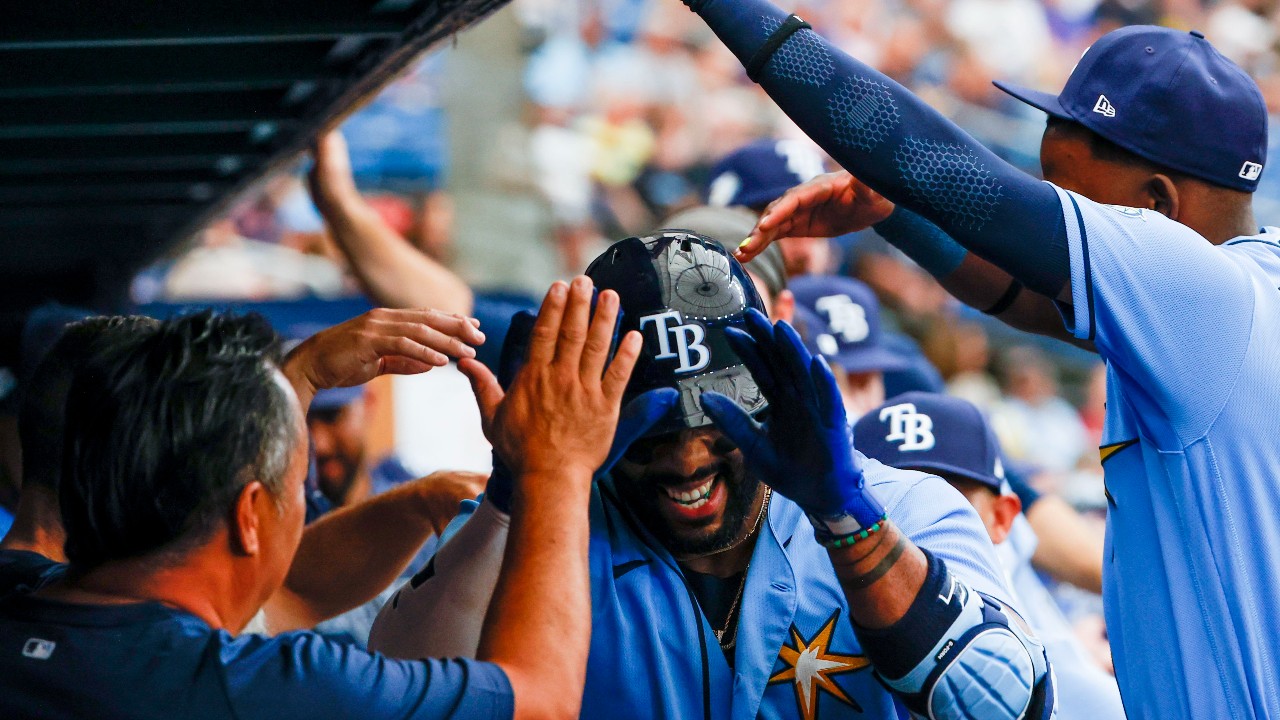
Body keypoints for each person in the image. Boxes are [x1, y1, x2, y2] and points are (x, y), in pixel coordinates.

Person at [685, 5, 1278, 712]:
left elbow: (942, 168)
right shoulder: (1244, 292)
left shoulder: (1201, 296)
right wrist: (895, 211)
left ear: (1159, 207)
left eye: (1067, 196)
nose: (1053, 211)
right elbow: (1020, 297)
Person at [372, 232, 1053, 720]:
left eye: (716, 424)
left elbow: (1009, 704)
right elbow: (401, 685)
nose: (688, 458)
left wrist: (848, 521)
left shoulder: (904, 505)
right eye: (654, 429)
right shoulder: (547, 522)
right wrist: (520, 489)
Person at [0, 284, 644, 719]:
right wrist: (553, 471)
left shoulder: (22, 594)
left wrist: (302, 377)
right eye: (296, 490)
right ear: (250, 515)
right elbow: (536, 701)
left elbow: (286, 589)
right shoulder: (258, 686)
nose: (307, 509)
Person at [0, 309, 482, 637]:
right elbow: (528, 696)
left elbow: (294, 590)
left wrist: (428, 499)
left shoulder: (81, 601)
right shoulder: (150, 639)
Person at [854, 392, 1125, 719]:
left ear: (1002, 518)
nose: (915, 519)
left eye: (944, 500)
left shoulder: (1035, 656)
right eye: (888, 499)